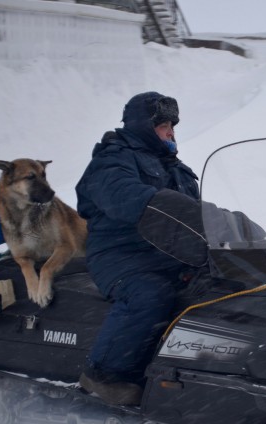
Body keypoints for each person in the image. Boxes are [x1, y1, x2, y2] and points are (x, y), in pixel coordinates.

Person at [75, 92, 199, 405]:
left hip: (168, 253)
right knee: (150, 295)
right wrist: (159, 203)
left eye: (173, 125)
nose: (171, 131)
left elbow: (193, 211)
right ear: (144, 125)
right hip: (120, 255)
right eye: (163, 125)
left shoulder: (174, 167)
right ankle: (104, 374)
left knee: (219, 286)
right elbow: (121, 194)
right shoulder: (112, 158)